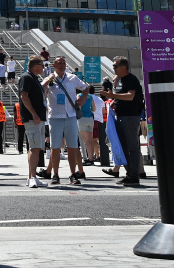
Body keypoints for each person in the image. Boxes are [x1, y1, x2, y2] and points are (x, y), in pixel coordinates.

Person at [44, 56, 89, 185]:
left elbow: (85, 87)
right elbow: (41, 89)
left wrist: (83, 98)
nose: (62, 65)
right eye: (59, 63)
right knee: (55, 147)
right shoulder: (50, 78)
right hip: (55, 117)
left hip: (71, 116)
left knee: (72, 147)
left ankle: (73, 174)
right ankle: (55, 174)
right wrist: (49, 79)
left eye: (63, 63)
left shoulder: (72, 78)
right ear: (54, 65)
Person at [99, 56, 142, 186]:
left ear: (124, 67)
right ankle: (129, 174)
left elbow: (130, 96)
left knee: (132, 147)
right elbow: (121, 96)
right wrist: (114, 101)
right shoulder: (120, 79)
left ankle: (134, 175)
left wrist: (112, 96)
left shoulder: (131, 79)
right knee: (123, 147)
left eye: (115, 66)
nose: (113, 68)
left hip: (129, 117)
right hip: (121, 116)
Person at [19, 57, 48, 187]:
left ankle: (33, 176)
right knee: (34, 147)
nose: (43, 68)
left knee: (37, 148)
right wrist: (34, 114)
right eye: (42, 65)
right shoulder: (26, 77)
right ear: (36, 66)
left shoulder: (34, 78)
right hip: (33, 118)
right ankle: (32, 177)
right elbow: (24, 96)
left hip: (39, 118)